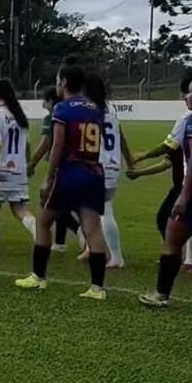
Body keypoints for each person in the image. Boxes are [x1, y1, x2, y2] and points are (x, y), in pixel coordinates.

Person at [15, 64, 109, 299]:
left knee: (44, 221)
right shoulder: (95, 108)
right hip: (93, 172)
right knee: (92, 228)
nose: (56, 83)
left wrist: (48, 178)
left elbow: (57, 146)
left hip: (70, 173)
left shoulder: (62, 109)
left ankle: (38, 276)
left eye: (58, 79)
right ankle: (97, 288)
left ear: (64, 82)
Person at [140, 72, 192, 308]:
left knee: (171, 241)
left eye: (191, 91)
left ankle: (161, 295)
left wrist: (185, 195)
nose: (187, 96)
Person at [128, 72, 192, 271]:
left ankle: (170, 275)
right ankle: (190, 260)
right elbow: (168, 160)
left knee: (175, 222)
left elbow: (170, 147)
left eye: (188, 92)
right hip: (191, 184)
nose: (185, 97)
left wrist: (142, 156)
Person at [77, 75, 133, 268]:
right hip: (113, 164)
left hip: (97, 165)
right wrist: (129, 160)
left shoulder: (88, 111)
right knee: (90, 207)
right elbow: (121, 136)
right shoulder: (110, 110)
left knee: (103, 210)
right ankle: (91, 247)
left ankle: (116, 257)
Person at [28, 86, 82, 252]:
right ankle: (60, 243)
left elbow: (46, 143)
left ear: (51, 101)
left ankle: (79, 229)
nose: (43, 104)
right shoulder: (72, 114)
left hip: (61, 166)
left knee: (53, 204)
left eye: (45, 100)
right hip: (77, 164)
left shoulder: (52, 117)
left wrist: (32, 163)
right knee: (61, 203)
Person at [0, 78, 37, 254]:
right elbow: (28, 145)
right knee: (20, 209)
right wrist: (29, 165)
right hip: (19, 169)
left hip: (1, 170)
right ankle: (38, 236)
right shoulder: (19, 115)